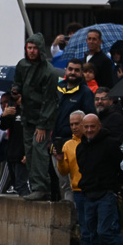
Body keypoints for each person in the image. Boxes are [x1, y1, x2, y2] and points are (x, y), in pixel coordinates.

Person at [76, 114, 123, 245]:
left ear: (99, 126)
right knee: (93, 235)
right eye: (86, 127)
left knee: (106, 231)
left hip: (106, 193)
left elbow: (122, 167)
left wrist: (116, 187)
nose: (89, 130)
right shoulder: (81, 147)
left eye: (93, 126)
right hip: (88, 195)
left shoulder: (110, 144)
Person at [12, 32, 59, 201]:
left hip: (42, 118)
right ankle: (35, 187)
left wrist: (42, 125)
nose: (31, 51)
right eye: (29, 48)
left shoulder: (49, 72)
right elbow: (17, 82)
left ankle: (41, 187)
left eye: (34, 48)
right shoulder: (22, 65)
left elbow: (50, 101)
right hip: (27, 116)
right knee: (30, 152)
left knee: (39, 150)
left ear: (40, 49)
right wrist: (15, 90)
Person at [53, 110, 96, 245]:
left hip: (94, 189)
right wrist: (60, 159)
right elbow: (64, 171)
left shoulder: (91, 141)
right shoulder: (68, 145)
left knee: (98, 230)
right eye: (71, 124)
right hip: (78, 191)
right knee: (85, 231)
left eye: (77, 123)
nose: (74, 127)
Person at [53, 59, 97, 202]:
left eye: (77, 70)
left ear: (82, 72)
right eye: (70, 69)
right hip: (56, 143)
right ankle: (68, 211)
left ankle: (76, 213)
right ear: (65, 70)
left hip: (76, 145)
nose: (73, 72)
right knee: (63, 184)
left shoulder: (86, 92)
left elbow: (91, 119)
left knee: (75, 184)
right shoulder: (57, 88)